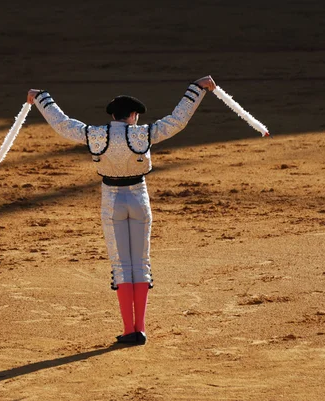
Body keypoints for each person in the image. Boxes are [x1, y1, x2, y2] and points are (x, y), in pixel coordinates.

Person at [27, 76, 217, 345]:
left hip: (112, 201)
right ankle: (140, 329)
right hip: (139, 199)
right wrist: (196, 89)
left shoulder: (95, 134)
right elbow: (177, 120)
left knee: (121, 265)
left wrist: (41, 98)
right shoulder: (143, 134)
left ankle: (129, 329)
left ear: (113, 116)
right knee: (141, 264)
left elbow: (64, 124)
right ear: (133, 116)